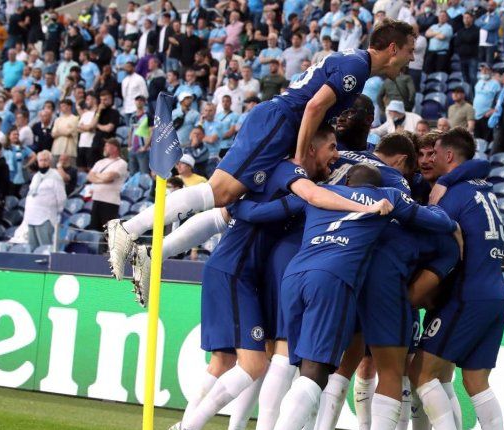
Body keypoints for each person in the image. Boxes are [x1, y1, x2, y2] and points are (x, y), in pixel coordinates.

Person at [108, 19, 417, 280]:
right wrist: (298, 157)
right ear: (393, 48)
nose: (412, 58)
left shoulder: (353, 61)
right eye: (409, 50)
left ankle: (152, 256)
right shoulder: (357, 68)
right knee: (220, 193)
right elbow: (312, 108)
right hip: (279, 123)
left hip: (276, 124)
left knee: (226, 207)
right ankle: (127, 228)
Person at [168, 129, 395, 430]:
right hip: (236, 272)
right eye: (330, 147)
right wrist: (364, 206)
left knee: (230, 361)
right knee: (256, 363)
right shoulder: (293, 179)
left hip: (252, 273)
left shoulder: (289, 181)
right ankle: (188, 427)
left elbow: (238, 210)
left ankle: (202, 426)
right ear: (311, 149)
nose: (335, 156)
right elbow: (234, 211)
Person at [410, 127, 504, 430]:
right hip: (496, 295)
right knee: (476, 381)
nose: (431, 158)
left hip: (467, 296)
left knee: (420, 374)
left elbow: (429, 244)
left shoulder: (452, 194)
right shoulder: (484, 188)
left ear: (449, 156)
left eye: (436, 153)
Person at [22, 150, 66, 250]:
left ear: (50, 162)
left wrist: (57, 212)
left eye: (46, 160)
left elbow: (61, 197)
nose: (43, 162)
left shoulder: (56, 176)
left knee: (45, 248)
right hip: (31, 216)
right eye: (41, 160)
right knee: (32, 248)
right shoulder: (36, 176)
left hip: (45, 217)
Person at [87, 139, 128, 237]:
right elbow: (89, 176)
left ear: (114, 148)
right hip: (97, 198)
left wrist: (97, 176)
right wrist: (102, 178)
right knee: (94, 229)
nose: (104, 148)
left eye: (107, 146)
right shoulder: (100, 162)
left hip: (110, 201)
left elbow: (110, 177)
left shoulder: (121, 163)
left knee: (108, 231)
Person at [51, 100, 79, 166]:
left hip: (69, 150)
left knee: (70, 170)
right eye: (61, 106)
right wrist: (64, 130)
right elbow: (53, 134)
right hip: (56, 149)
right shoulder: (58, 119)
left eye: (63, 106)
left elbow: (69, 132)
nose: (61, 108)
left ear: (69, 107)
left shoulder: (75, 118)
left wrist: (59, 132)